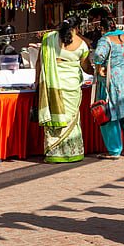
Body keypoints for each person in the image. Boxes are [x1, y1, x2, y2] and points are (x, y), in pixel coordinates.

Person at [90, 7, 124, 159]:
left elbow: (98, 55)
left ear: (103, 28)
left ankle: (114, 151)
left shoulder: (105, 39)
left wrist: (99, 67)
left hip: (112, 80)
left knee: (110, 114)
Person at [35, 16, 92, 164]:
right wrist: (98, 70)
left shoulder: (49, 38)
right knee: (71, 119)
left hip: (52, 85)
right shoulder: (82, 44)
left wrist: (37, 81)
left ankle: (53, 154)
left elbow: (39, 62)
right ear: (77, 28)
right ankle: (73, 153)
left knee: (54, 117)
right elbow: (86, 67)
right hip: (71, 86)